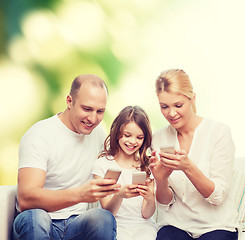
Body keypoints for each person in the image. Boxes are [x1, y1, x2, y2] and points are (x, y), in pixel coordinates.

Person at [13, 74, 121, 240]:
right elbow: (26, 199)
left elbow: (123, 158)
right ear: (69, 101)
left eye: (100, 111)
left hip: (76, 223)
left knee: (102, 218)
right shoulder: (39, 135)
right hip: (42, 221)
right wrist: (80, 194)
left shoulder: (98, 133)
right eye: (87, 109)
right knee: (35, 218)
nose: (93, 119)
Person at [150, 69, 239, 240]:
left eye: (178, 105)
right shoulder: (159, 138)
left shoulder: (219, 133)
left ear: (193, 99)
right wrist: (161, 180)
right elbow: (164, 203)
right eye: (164, 106)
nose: (171, 113)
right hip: (176, 225)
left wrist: (187, 166)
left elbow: (218, 196)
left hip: (216, 226)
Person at [92, 106, 157, 240]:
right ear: (117, 133)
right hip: (114, 226)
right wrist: (119, 195)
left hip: (143, 227)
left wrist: (150, 199)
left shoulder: (147, 166)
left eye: (139, 137)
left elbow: (146, 214)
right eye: (127, 135)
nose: (132, 142)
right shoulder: (102, 165)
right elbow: (107, 213)